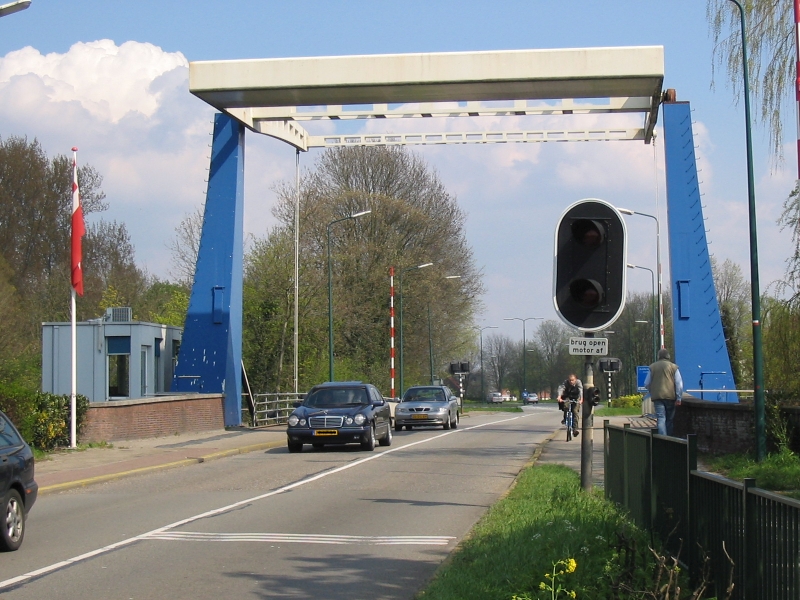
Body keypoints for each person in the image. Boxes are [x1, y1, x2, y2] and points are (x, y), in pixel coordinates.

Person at [644, 348, 684, 436]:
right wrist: (679, 397)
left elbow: (646, 383)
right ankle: (669, 440)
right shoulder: (674, 367)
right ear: (668, 356)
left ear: (658, 356)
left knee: (661, 418)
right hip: (670, 397)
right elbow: (679, 383)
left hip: (657, 397)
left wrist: (652, 391)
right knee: (669, 419)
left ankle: (662, 439)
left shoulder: (652, 367)